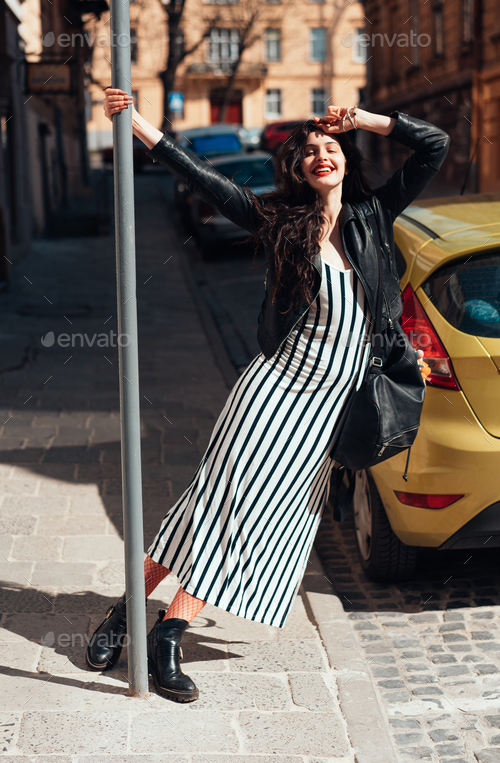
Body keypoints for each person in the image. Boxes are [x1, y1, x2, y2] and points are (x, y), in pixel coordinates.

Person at [85, 91, 448, 703]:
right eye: (309, 152)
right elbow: (205, 181)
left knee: (260, 525)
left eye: (331, 147)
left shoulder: (372, 215)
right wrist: (139, 125)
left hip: (331, 406)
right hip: (273, 390)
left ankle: (146, 622)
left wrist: (362, 118)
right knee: (217, 514)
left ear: (347, 160)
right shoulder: (283, 222)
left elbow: (434, 143)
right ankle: (147, 626)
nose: (321, 155)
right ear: (297, 168)